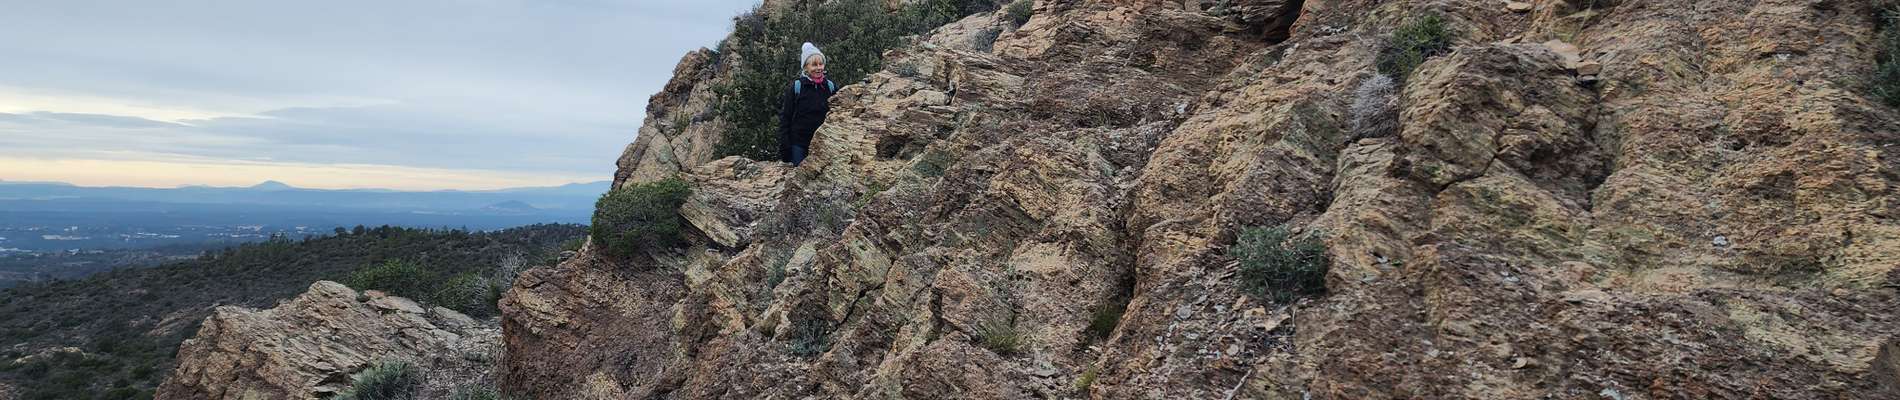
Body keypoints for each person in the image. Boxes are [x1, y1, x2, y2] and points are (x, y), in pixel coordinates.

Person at [778, 42, 835, 166]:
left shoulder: (830, 86)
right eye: (814, 65)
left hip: (824, 142)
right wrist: (785, 143)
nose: (818, 68)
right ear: (805, 67)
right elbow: (786, 116)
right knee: (799, 173)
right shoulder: (797, 87)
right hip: (799, 143)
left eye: (821, 64)